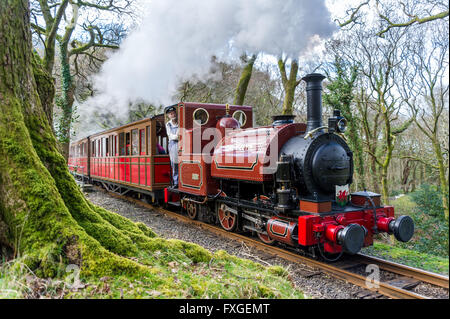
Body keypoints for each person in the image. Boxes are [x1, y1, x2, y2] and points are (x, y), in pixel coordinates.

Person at [165, 105, 179, 187]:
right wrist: (177, 136)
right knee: (174, 163)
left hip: (180, 143)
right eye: (171, 114)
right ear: (168, 116)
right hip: (173, 144)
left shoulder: (180, 123)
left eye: (173, 113)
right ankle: (176, 182)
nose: (173, 115)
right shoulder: (168, 125)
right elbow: (171, 136)